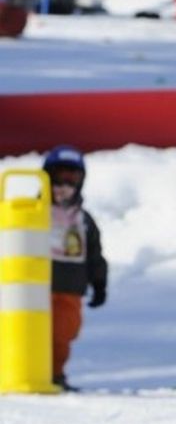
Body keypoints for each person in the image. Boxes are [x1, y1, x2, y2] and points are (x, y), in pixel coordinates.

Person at [42, 145, 108, 390]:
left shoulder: (83, 221)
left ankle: (55, 374)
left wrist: (99, 283)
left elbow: (95, 255)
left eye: (72, 178)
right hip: (36, 287)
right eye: (59, 177)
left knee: (62, 335)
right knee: (29, 332)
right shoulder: (32, 212)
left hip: (69, 289)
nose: (64, 185)